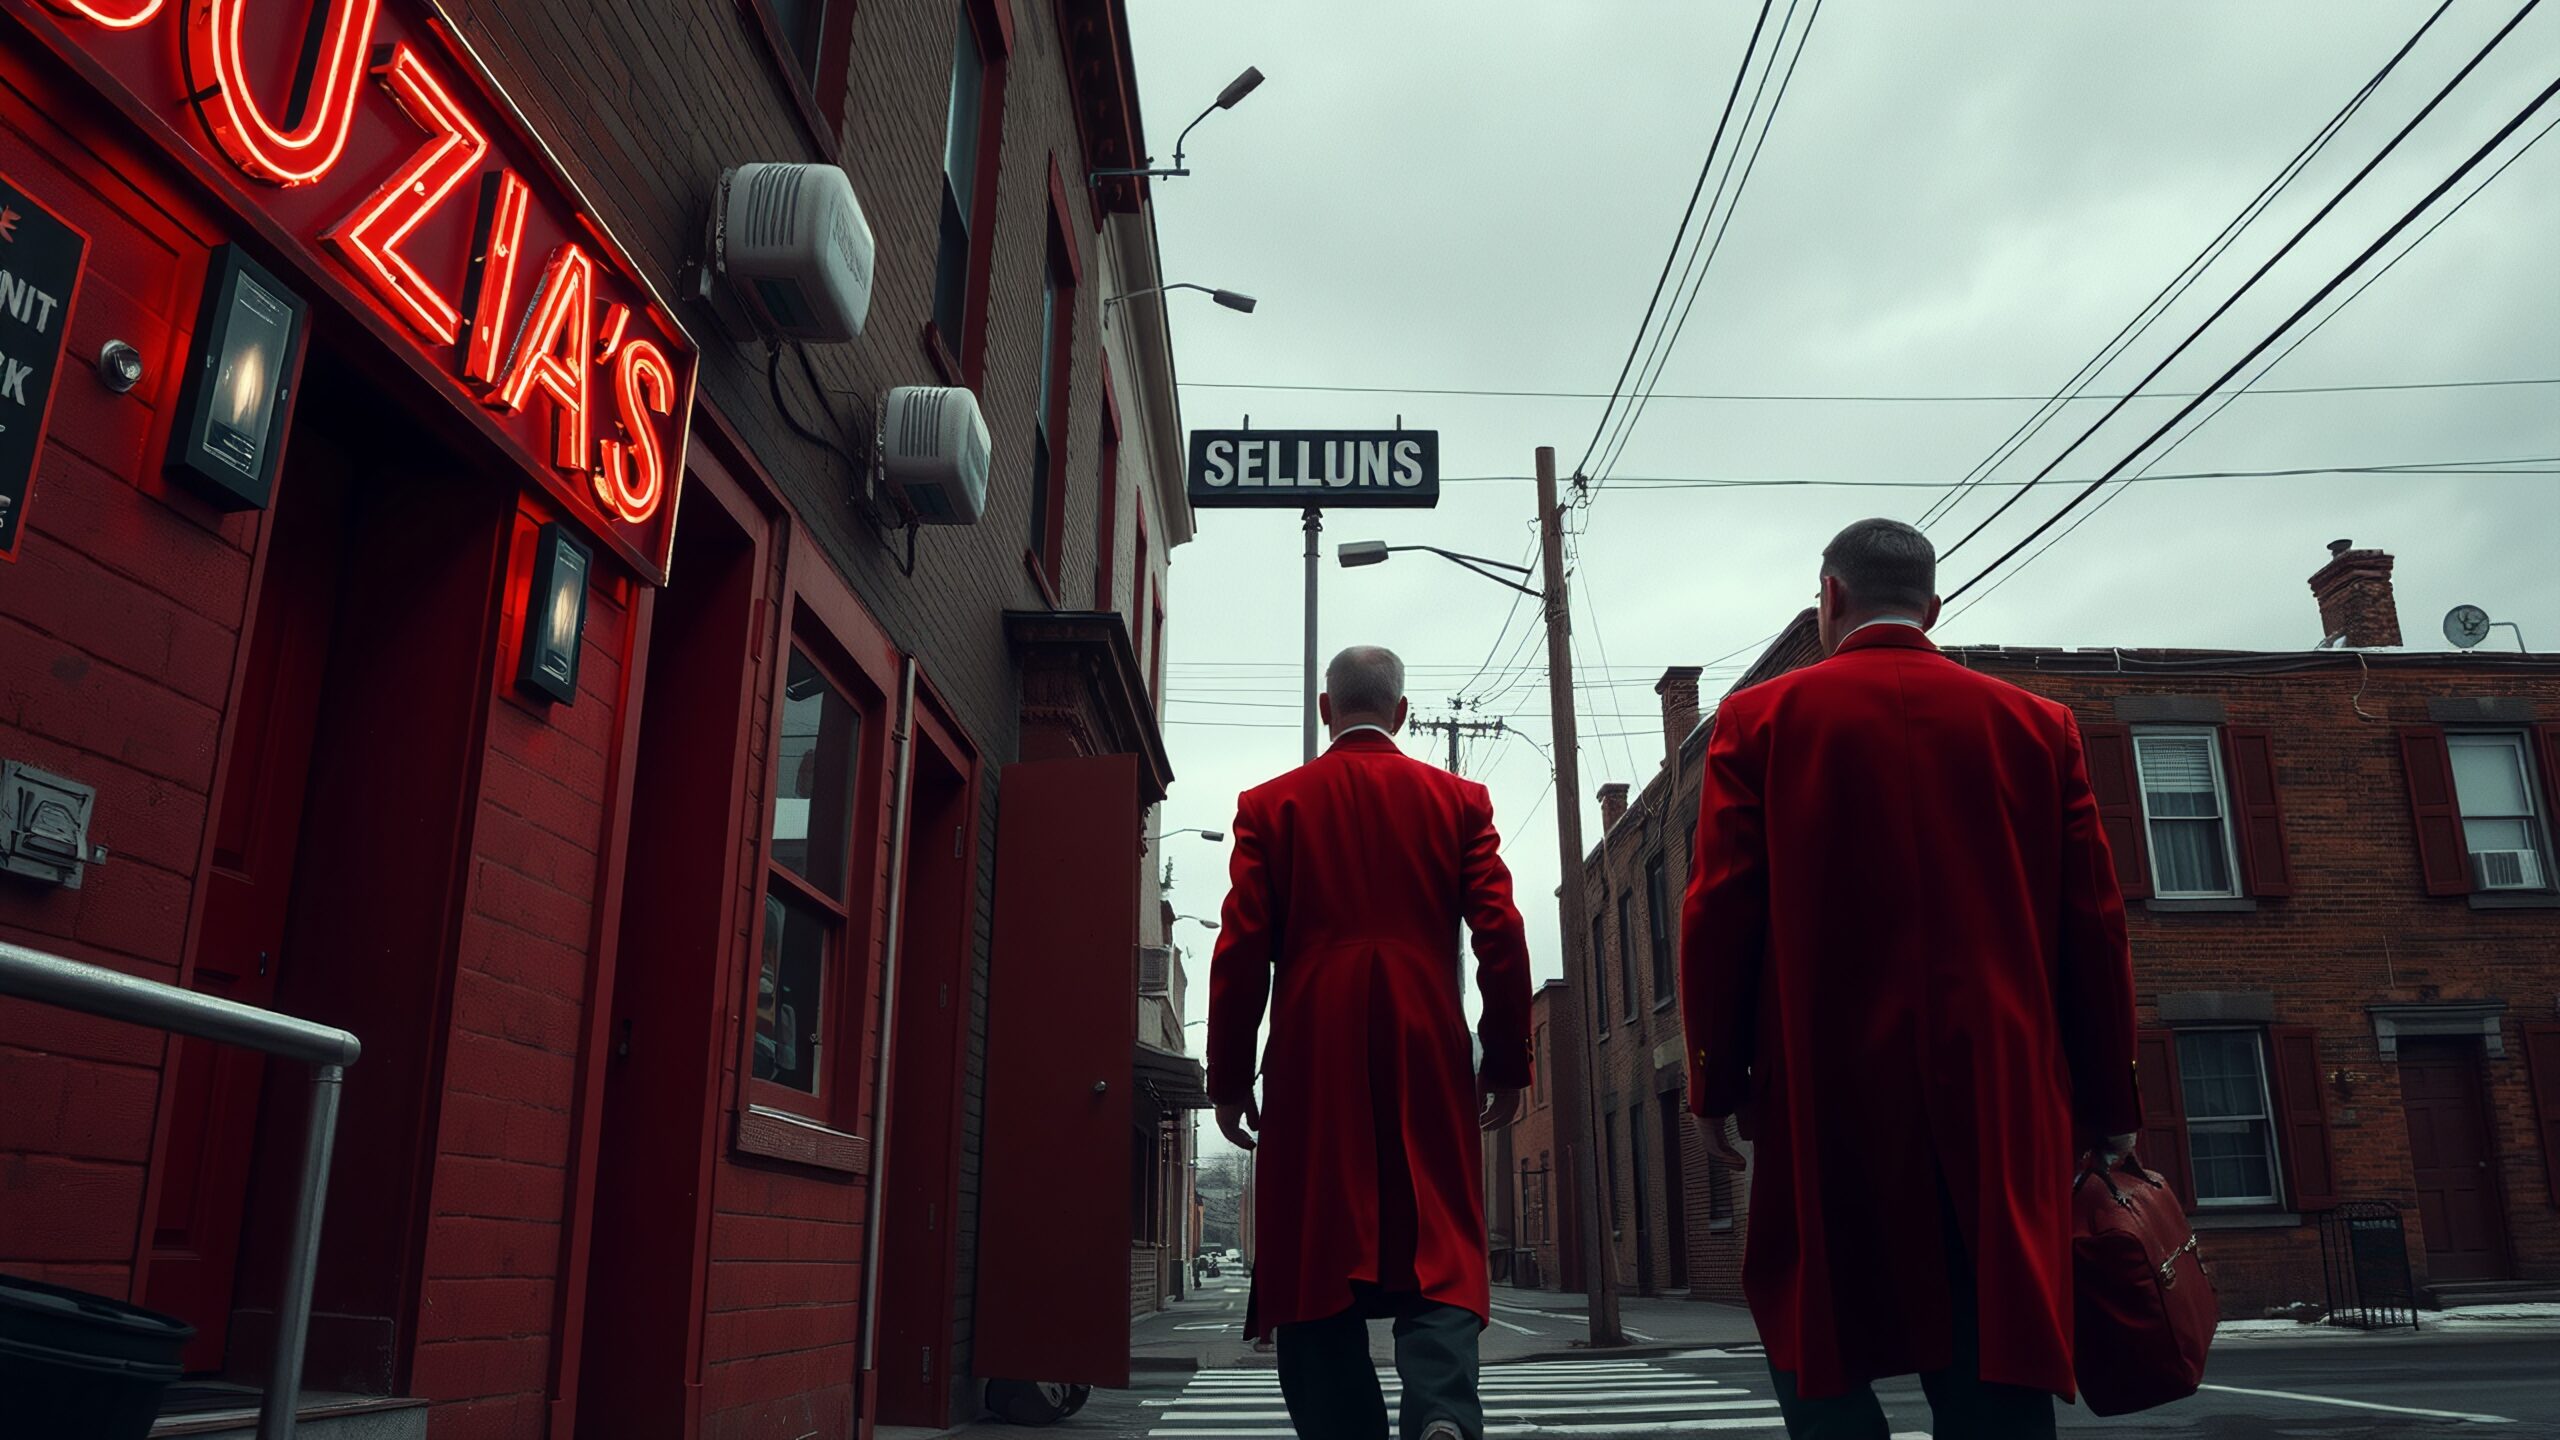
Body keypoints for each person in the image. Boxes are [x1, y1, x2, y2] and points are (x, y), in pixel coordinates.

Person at [1680, 519, 2141, 1439]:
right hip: (1998, 1087)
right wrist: (2106, 1103)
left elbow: (1719, 912)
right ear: (1933, 608)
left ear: (1829, 599)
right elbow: (2093, 925)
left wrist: (1715, 1083)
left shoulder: (1759, 722)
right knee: (1992, 1340)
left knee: (1816, 1316)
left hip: (1825, 1086)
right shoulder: (2037, 727)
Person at [1207, 645, 1535, 1440]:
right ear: (1402, 712)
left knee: (1319, 1247)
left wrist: (1228, 1076)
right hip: (1424, 1032)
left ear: (1327, 711)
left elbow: (1241, 948)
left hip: (1313, 1047)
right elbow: (1501, 932)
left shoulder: (1270, 806)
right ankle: (1444, 1412)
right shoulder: (1460, 802)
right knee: (1439, 1233)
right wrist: (1506, 1058)